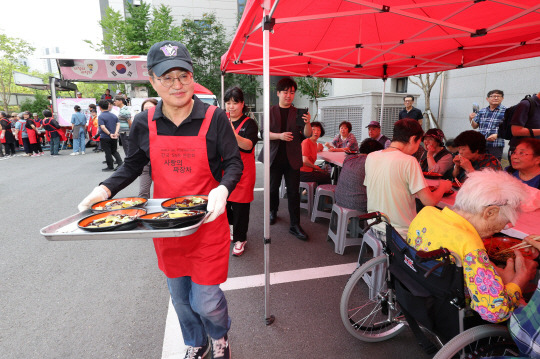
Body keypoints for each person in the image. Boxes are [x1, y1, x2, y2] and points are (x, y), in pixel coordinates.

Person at [77, 40, 242, 359]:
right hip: (166, 228)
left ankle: (219, 335)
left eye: (183, 75)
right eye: (167, 77)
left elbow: (233, 161)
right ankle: (197, 342)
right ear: (152, 80)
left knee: (205, 301)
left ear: (192, 77)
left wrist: (223, 188)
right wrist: (104, 189)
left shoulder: (214, 117)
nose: (177, 84)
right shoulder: (144, 122)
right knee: (180, 299)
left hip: (207, 226)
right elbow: (133, 163)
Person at [407, 169, 538, 323]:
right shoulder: (470, 245)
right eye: (506, 221)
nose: (505, 227)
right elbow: (495, 312)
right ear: (490, 212)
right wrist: (520, 279)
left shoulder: (426, 213)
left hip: (424, 292)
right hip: (455, 311)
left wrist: (493, 272)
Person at [364, 118, 452, 237]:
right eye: (419, 142)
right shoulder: (409, 161)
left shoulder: (371, 156)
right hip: (400, 234)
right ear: (412, 139)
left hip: (374, 225)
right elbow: (429, 201)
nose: (419, 147)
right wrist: (443, 186)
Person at [258, 77, 312, 241]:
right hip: (274, 158)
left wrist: (308, 123)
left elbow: (307, 135)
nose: (289, 95)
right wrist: (279, 136)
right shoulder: (270, 111)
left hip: (292, 159)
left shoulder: (298, 113)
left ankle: (295, 225)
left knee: (294, 193)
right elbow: (263, 133)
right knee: (273, 189)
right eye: (285, 92)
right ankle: (273, 211)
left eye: (292, 92)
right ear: (278, 93)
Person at [224, 87, 259, 257]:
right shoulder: (221, 120)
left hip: (244, 174)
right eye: (228, 102)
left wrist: (233, 134)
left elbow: (249, 145)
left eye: (235, 103)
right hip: (225, 172)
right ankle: (233, 231)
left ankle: (240, 239)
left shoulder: (250, 123)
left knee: (240, 208)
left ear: (242, 104)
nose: (231, 106)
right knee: (224, 205)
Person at [335, 138, 383, 212]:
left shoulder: (348, 158)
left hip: (339, 199)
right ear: (375, 153)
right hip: (358, 204)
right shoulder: (371, 162)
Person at [468, 89, 506, 161]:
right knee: (479, 165)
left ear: (502, 98)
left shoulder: (506, 111)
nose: (496, 98)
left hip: (496, 145)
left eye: (498, 96)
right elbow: (475, 126)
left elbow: (508, 129)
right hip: (481, 144)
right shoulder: (482, 111)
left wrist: (497, 135)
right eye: (493, 96)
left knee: (493, 167)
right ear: (487, 99)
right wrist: (470, 118)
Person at [137, 98, 159, 198]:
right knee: (143, 192)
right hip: (146, 163)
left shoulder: (166, 125)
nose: (148, 112)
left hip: (162, 163)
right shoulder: (139, 124)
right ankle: (142, 212)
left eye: (151, 109)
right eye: (145, 109)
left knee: (164, 193)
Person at [97, 100, 122, 172]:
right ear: (108, 106)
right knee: (114, 150)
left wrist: (109, 134)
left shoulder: (101, 116)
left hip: (105, 136)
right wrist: (116, 132)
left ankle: (110, 166)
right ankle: (120, 162)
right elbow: (118, 124)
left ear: (100, 107)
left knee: (107, 151)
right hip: (114, 136)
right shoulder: (113, 115)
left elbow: (102, 127)